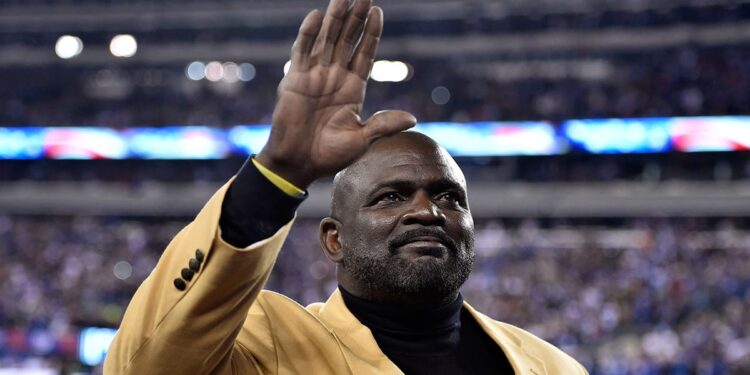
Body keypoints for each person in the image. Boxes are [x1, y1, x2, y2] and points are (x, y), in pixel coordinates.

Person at [104, 0, 588, 373]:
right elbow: (143, 365)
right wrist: (278, 171)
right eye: (391, 196)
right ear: (334, 238)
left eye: (448, 196)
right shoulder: (268, 344)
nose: (428, 211)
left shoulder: (552, 365)